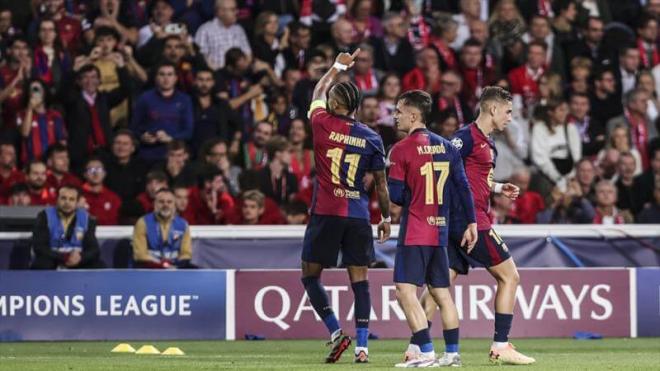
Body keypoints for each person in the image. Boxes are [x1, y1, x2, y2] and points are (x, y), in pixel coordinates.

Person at [417, 87, 536, 365]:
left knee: (440, 283)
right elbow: (441, 168)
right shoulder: (464, 138)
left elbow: (469, 177)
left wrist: (496, 187)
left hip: (459, 221)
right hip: (470, 222)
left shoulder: (484, 141)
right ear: (492, 109)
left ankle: (417, 348)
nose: (510, 117)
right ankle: (501, 344)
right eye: (507, 111)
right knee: (510, 276)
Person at [301, 49, 391, 364]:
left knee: (310, 276)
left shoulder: (322, 123)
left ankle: (336, 332)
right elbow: (381, 183)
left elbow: (318, 91)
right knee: (361, 282)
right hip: (357, 216)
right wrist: (387, 217)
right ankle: (363, 348)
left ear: (337, 105)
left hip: (326, 212)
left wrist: (337, 67)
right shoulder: (372, 137)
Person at [388, 90, 477, 368]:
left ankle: (425, 352)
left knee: (404, 291)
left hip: (415, 230)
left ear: (414, 115)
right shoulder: (448, 147)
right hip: (440, 231)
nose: (395, 115)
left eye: (400, 110)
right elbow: (463, 187)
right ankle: (452, 354)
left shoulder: (400, 149)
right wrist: (472, 222)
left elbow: (397, 197)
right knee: (441, 293)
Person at [130, 62, 193, 163]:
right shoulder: (145, 98)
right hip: (148, 154)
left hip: (175, 155)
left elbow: (188, 131)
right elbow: (134, 127)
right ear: (156, 78)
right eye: (162, 74)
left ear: (175, 78)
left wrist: (171, 138)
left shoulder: (185, 100)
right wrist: (142, 136)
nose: (166, 78)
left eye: (169, 74)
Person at [31, 185, 104, 269]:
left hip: (77, 261)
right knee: (42, 264)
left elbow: (94, 249)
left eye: (71, 199)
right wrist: (63, 257)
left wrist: (81, 257)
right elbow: (39, 247)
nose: (67, 202)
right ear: (57, 200)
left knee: (99, 265)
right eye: (63, 198)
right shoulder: (44, 216)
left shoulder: (87, 219)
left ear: (77, 202)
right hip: (53, 259)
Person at [132, 188, 194, 268]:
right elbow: (140, 255)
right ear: (154, 204)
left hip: (174, 270)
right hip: (149, 270)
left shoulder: (183, 224)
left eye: (169, 202)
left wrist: (176, 266)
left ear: (174, 204)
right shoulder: (143, 223)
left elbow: (186, 254)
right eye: (161, 202)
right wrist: (161, 264)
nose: (166, 205)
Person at [194, 0, 251, 70]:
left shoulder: (239, 29)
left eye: (236, 9)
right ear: (220, 12)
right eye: (233, 9)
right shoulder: (205, 30)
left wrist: (245, 67)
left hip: (239, 73)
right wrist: (218, 73)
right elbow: (201, 56)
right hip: (217, 74)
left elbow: (248, 53)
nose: (237, 12)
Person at [80, 157, 121, 225]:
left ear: (104, 173)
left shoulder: (113, 198)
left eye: (99, 169)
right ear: (85, 174)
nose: (95, 173)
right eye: (91, 170)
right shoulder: (77, 196)